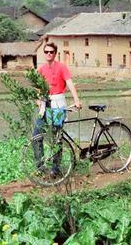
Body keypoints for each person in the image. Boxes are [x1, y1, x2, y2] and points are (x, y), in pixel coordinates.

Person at [33, 41, 82, 175]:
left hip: (58, 103)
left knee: (57, 137)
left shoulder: (62, 68)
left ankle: (56, 169)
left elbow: (70, 83)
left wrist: (76, 100)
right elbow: (37, 87)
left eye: (51, 52)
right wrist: (38, 99)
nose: (49, 54)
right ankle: (40, 167)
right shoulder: (41, 69)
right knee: (36, 135)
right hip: (45, 104)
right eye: (46, 52)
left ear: (55, 53)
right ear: (44, 54)